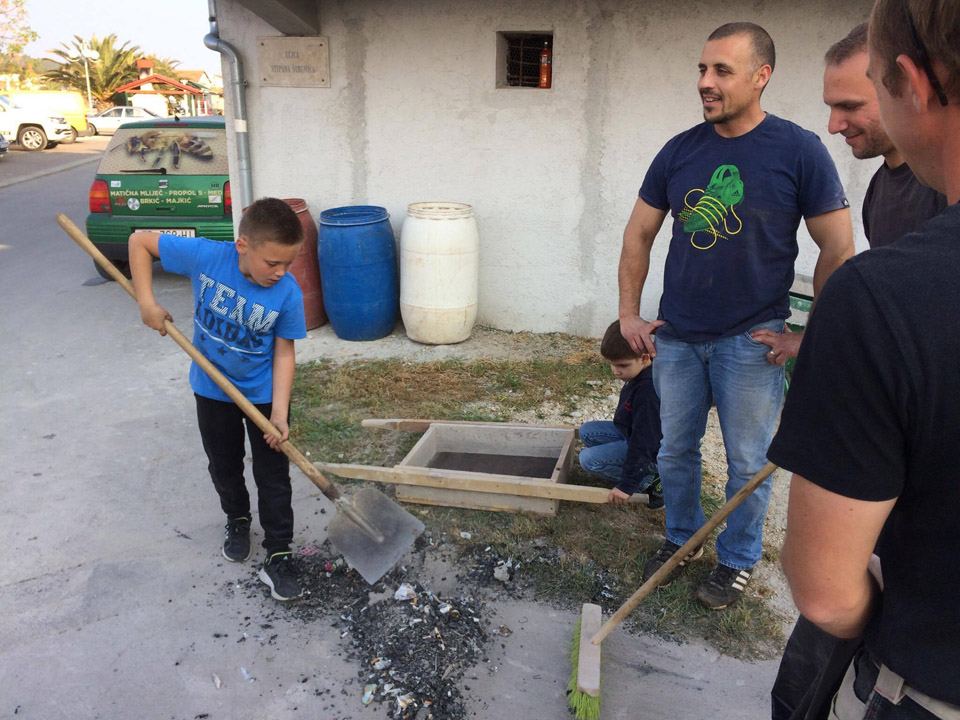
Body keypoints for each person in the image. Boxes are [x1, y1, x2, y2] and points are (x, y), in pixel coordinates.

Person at [619, 22, 854, 610]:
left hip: (751, 341)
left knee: (748, 463)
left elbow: (839, 247)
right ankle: (682, 539)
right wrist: (628, 313)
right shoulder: (679, 150)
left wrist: (807, 331)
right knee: (675, 450)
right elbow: (639, 233)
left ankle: (738, 560)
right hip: (677, 336)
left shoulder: (798, 150)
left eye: (721, 71)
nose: (705, 82)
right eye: (702, 69)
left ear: (761, 76)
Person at [770, 0, 960, 716]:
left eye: (866, 92)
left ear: (912, 82)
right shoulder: (885, 194)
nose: (835, 123)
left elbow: (825, 588)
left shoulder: (877, 295)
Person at [128, 197, 308, 602]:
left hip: (263, 395)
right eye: (272, 263)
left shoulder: (287, 293)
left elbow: (284, 352)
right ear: (243, 245)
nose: (280, 273)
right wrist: (146, 302)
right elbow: (139, 242)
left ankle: (278, 553)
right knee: (224, 464)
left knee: (274, 476)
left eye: (288, 264)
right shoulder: (207, 256)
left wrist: (279, 412)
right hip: (211, 388)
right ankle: (238, 517)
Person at [823, 22, 946, 249]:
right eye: (830, 107)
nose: (833, 126)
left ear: (910, 87)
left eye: (850, 106)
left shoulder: (946, 185)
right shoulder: (877, 188)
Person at [578, 320, 664, 509]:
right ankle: (639, 469)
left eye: (622, 365)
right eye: (611, 364)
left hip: (652, 452)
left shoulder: (648, 393)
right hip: (631, 433)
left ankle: (650, 481)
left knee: (588, 460)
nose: (616, 371)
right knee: (587, 431)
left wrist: (627, 485)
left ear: (644, 358)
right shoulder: (641, 372)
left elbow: (644, 441)